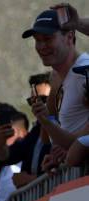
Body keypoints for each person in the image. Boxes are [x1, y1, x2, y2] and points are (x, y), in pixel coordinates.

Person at [23, 9, 89, 155]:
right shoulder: (56, 76)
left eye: (47, 39)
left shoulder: (85, 73)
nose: (41, 46)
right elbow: (48, 139)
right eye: (37, 40)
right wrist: (55, 156)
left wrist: (45, 120)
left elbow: (77, 142)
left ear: (69, 37)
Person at [0, 74, 52, 187]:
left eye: (43, 99)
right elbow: (7, 157)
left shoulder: (65, 127)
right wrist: (0, 143)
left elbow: (66, 167)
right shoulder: (35, 132)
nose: (36, 105)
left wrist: (31, 180)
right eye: (32, 101)